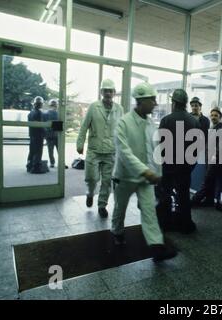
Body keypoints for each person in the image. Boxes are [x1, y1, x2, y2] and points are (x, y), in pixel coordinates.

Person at [111, 82, 177, 262]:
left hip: (145, 179)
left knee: (149, 211)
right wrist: (146, 171)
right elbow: (124, 153)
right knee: (120, 209)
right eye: (152, 100)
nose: (155, 103)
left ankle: (156, 247)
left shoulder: (150, 124)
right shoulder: (123, 123)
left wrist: (158, 173)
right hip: (124, 177)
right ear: (141, 101)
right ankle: (117, 232)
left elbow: (155, 151)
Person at [76, 79, 124, 218]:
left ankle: (102, 205)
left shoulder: (119, 109)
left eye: (110, 91)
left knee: (107, 181)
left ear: (114, 93)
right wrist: (80, 143)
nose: (108, 93)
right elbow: (84, 126)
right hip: (94, 150)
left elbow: (122, 130)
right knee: (91, 178)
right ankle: (90, 193)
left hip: (111, 151)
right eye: (105, 90)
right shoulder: (93, 107)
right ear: (101, 92)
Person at [156, 89, 201, 234]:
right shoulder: (194, 121)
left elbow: (160, 145)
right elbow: (198, 147)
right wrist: (190, 165)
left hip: (168, 165)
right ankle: (185, 224)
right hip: (185, 166)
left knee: (165, 194)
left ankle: (166, 223)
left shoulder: (166, 120)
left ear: (174, 103)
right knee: (183, 195)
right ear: (186, 103)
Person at [190, 107, 222, 207]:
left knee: (207, 180)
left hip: (215, 159)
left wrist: (215, 156)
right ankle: (209, 200)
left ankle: (194, 201)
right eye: (212, 115)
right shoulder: (213, 128)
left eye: (216, 115)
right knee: (210, 180)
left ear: (220, 117)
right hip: (209, 157)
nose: (213, 117)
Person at [26, 96, 48, 174]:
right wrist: (46, 134)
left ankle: (29, 166)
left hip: (32, 135)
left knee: (32, 151)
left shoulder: (30, 112)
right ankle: (36, 168)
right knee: (38, 151)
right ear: (40, 104)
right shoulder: (39, 113)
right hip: (38, 135)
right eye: (41, 104)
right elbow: (41, 125)